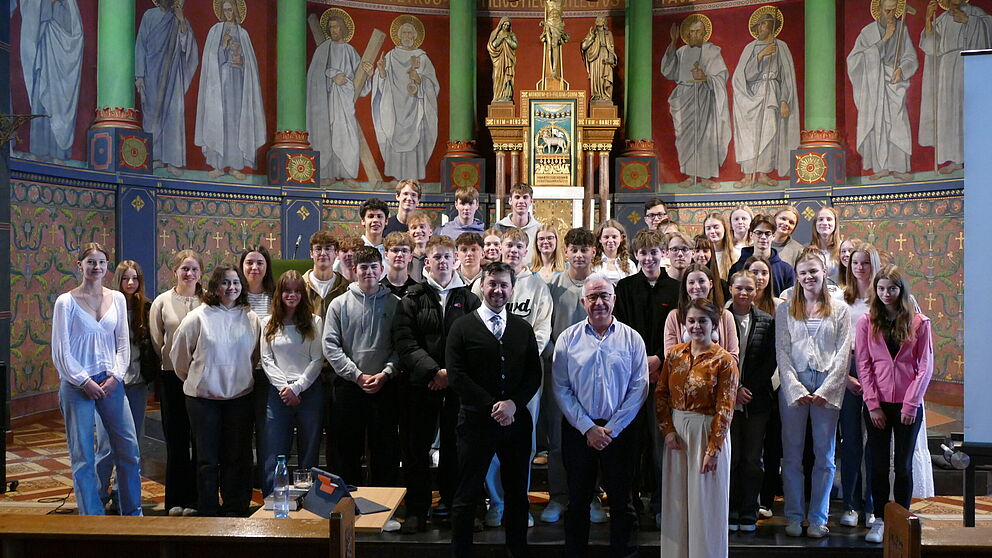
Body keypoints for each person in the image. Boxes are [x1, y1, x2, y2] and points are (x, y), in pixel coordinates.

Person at [447, 262, 543, 558]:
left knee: (517, 496)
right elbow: (457, 375)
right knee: (466, 495)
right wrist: (492, 406)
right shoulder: (462, 327)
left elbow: (534, 374)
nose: (497, 290)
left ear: (512, 289)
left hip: (516, 423)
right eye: (492, 284)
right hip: (476, 423)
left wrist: (514, 404)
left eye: (504, 285)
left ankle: (517, 552)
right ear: (482, 286)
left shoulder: (523, 328)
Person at [553, 275, 648, 557]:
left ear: (614, 300)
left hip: (620, 431)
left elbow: (639, 387)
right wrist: (587, 427)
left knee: (622, 502)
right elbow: (561, 387)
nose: (599, 302)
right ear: (583, 301)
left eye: (604, 295)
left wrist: (613, 428)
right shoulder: (567, 339)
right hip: (579, 431)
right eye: (593, 297)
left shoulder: (632, 338)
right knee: (577, 501)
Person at [393, 235, 481, 533]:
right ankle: (417, 510)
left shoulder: (470, 299)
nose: (442, 261)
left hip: (458, 389)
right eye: (436, 257)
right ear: (427, 262)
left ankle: (455, 507)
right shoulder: (412, 298)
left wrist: (449, 375)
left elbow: (475, 344)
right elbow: (405, 341)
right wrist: (433, 372)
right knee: (416, 449)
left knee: (457, 448)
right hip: (420, 386)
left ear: (455, 260)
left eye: (447, 256)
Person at [52, 243, 142, 516]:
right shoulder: (65, 302)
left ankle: (133, 514)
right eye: (90, 262)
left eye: (101, 262)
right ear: (79, 265)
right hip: (77, 385)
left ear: (107, 266)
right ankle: (91, 518)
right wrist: (83, 381)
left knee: (128, 450)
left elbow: (123, 345)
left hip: (111, 382)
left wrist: (116, 376)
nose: (96, 267)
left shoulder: (117, 298)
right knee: (83, 457)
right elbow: (61, 351)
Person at [473, 228, 553, 528]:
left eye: (520, 245)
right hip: (488, 377)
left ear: (527, 249)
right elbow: (474, 324)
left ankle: (518, 502)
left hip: (524, 377)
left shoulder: (538, 286)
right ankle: (497, 502)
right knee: (489, 441)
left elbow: (543, 328)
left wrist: (522, 359)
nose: (515, 250)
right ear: (500, 247)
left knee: (524, 444)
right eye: (510, 245)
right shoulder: (481, 283)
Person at [171, 264, 261, 517]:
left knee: (237, 457)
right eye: (225, 282)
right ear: (215, 287)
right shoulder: (198, 317)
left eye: (236, 282)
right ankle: (208, 509)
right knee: (207, 459)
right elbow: (179, 357)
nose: (231, 287)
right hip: (203, 400)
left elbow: (254, 356)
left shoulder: (250, 317)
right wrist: (198, 378)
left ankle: (235, 507)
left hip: (239, 397)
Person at [323, 246, 401, 532]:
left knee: (384, 454)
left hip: (384, 387)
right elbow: (330, 345)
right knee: (347, 453)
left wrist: (386, 373)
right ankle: (348, 513)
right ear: (354, 270)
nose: (368, 272)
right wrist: (356, 375)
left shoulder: (395, 303)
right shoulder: (338, 304)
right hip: (349, 388)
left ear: (381, 269)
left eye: (373, 267)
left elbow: (401, 345)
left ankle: (384, 513)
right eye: (363, 267)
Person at [776, 251, 852, 538]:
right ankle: (794, 516)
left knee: (825, 455)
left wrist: (827, 389)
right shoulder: (785, 310)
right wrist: (794, 387)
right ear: (797, 277)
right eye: (803, 272)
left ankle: (819, 517)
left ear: (824, 273)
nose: (809, 277)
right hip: (794, 383)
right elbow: (782, 352)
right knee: (791, 455)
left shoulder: (840, 310)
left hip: (827, 384)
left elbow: (843, 354)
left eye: (813, 271)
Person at [857, 265, 934, 544]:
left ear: (901, 290)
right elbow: (863, 364)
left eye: (892, 288)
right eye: (881, 288)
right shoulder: (867, 321)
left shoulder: (919, 322)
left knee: (902, 465)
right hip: (877, 404)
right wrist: (872, 404)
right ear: (875, 291)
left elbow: (925, 366)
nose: (886, 293)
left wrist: (911, 404)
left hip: (907, 405)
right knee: (878, 465)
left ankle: (901, 519)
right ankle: (879, 517)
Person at [657, 298, 738, 558]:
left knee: (706, 504)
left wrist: (713, 450)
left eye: (702, 321)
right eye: (691, 321)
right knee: (677, 504)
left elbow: (725, 408)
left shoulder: (724, 361)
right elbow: (661, 394)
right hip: (677, 435)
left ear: (714, 324)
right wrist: (668, 430)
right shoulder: (674, 355)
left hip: (707, 434)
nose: (696, 326)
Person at [615, 229, 681, 527]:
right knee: (631, 442)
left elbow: (679, 332)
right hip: (630, 376)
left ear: (663, 253)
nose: (649, 258)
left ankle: (660, 504)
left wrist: (659, 358)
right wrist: (640, 362)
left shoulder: (676, 288)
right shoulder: (625, 287)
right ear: (636, 255)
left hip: (664, 375)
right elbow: (620, 329)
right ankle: (629, 503)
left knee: (660, 443)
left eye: (654, 252)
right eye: (643, 253)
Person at [543, 228, 602, 524]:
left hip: (593, 375)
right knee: (557, 439)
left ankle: (592, 497)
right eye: (574, 249)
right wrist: (558, 357)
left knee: (593, 435)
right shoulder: (552, 285)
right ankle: (558, 496)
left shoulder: (601, 285)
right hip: (560, 372)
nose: (579, 255)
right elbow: (544, 327)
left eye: (584, 249)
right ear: (565, 252)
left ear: (594, 252)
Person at [95, 261, 158, 512]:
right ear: (118, 280)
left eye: (135, 278)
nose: (130, 283)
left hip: (137, 383)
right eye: (125, 278)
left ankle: (123, 497)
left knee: (132, 444)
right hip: (110, 383)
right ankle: (99, 496)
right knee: (106, 445)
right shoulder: (107, 305)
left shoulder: (147, 307)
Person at [260, 271, 325, 497]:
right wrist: (284, 388)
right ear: (279, 293)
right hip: (278, 393)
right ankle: (274, 499)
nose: (292, 295)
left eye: (297, 291)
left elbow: (317, 359)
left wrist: (297, 388)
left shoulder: (315, 322)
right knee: (274, 451)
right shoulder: (268, 323)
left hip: (309, 391)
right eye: (287, 290)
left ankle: (307, 500)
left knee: (309, 452)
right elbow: (266, 359)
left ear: (303, 295)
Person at [150, 249, 203, 516]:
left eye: (194, 269)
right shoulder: (161, 302)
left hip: (201, 378)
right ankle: (175, 500)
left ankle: (196, 500)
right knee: (176, 440)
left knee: (200, 441)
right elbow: (157, 340)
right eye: (184, 269)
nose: (189, 273)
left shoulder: (208, 301)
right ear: (175, 272)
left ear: (201, 273)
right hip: (172, 378)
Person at [725, 271, 776, 532]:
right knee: (731, 458)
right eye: (739, 288)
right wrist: (734, 389)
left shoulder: (766, 320)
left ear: (756, 291)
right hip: (726, 399)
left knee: (752, 458)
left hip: (756, 400)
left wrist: (747, 388)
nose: (744, 293)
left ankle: (749, 509)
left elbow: (770, 361)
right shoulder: (720, 318)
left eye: (749, 289)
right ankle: (730, 509)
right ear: (730, 289)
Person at [838, 242, 883, 529]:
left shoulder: (883, 296)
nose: (859, 268)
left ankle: (872, 506)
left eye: (865, 262)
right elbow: (834, 342)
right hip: (849, 368)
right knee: (851, 441)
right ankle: (851, 505)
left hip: (878, 371)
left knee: (874, 443)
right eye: (855, 262)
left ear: (874, 265)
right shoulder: (841, 298)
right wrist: (846, 377)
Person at [195, 0, 265, 180]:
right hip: (219, 85)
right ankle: (218, 165)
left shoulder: (243, 34)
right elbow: (211, 60)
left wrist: (243, 63)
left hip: (238, 84)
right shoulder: (215, 31)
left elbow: (251, 64)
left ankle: (235, 166)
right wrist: (224, 46)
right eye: (225, 10)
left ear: (236, 11)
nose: (228, 13)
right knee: (219, 121)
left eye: (230, 9)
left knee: (236, 123)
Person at [848, 0, 918, 181]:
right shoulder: (867, 33)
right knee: (877, 122)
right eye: (887, 11)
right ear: (878, 10)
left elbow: (911, 57)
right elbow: (854, 60)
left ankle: (900, 167)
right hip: (873, 85)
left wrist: (901, 70)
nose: (891, 15)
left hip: (894, 82)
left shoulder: (902, 29)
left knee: (897, 122)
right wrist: (885, 38)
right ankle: (881, 167)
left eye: (894, 10)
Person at [920, 0, 992, 175]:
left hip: (970, 64)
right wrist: (928, 20)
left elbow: (988, 31)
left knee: (969, 112)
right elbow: (931, 48)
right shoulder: (941, 19)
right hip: (946, 67)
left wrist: (968, 20)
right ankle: (956, 159)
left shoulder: (976, 13)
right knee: (949, 114)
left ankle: (977, 159)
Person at [661, 17, 731, 189]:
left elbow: (721, 76)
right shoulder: (681, 52)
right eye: (691, 32)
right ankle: (690, 176)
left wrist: (705, 77)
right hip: (684, 98)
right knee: (685, 138)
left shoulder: (712, 51)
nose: (694, 35)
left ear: (704, 33)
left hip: (705, 96)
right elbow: (668, 71)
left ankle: (706, 177)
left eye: (698, 32)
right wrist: (673, 43)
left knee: (706, 137)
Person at [732, 7, 799, 188]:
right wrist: (761, 55)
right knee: (749, 136)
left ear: (771, 27)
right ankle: (748, 175)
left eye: (764, 24)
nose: (760, 28)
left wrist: (784, 100)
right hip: (750, 96)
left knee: (769, 131)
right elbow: (742, 76)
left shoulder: (781, 47)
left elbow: (786, 78)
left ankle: (763, 174)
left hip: (771, 94)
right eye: (759, 25)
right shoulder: (750, 48)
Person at [306, 9, 372, 185]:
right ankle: (328, 175)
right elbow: (314, 76)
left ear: (343, 28)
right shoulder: (322, 50)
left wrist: (368, 75)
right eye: (330, 27)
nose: (333, 30)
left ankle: (347, 176)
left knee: (347, 137)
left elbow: (359, 78)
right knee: (326, 137)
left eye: (336, 27)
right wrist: (332, 75)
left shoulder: (350, 51)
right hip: (326, 102)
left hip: (345, 101)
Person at [135, 0, 198, 177]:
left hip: (173, 75)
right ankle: (155, 157)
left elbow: (189, 47)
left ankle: (173, 161)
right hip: (151, 74)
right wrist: (139, 75)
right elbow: (140, 45)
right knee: (151, 115)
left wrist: (182, 21)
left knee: (173, 116)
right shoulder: (149, 16)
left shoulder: (178, 17)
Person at [371, 20, 439, 181]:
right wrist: (381, 72)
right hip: (394, 107)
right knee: (394, 134)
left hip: (415, 107)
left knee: (415, 137)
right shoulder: (390, 56)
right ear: (399, 36)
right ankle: (397, 178)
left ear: (415, 36)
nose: (407, 36)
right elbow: (381, 81)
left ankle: (413, 178)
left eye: (410, 33)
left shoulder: (422, 57)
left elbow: (433, 84)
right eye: (404, 33)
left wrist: (420, 79)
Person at [19, 0, 83, 162]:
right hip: (44, 54)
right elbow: (32, 18)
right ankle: (38, 151)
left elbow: (74, 31)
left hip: (62, 64)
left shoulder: (69, 3)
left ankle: (59, 154)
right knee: (40, 99)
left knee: (60, 106)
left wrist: (56, 5)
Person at [240, 245, 275, 489]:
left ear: (267, 266)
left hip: (267, 373)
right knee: (241, 432)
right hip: (239, 372)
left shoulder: (275, 295)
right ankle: (241, 487)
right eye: (250, 263)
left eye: (260, 263)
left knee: (266, 432)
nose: (254, 267)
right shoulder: (234, 294)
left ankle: (266, 485)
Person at [663, 263, 738, 360]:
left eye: (701, 281)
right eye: (691, 282)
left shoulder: (726, 316)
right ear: (685, 286)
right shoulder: (674, 316)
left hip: (718, 369)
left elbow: (733, 356)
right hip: (683, 369)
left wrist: (710, 366)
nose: (697, 286)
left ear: (710, 284)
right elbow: (669, 356)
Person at [728, 215, 794, 296]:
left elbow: (790, 298)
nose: (763, 237)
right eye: (758, 233)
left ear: (773, 236)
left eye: (767, 233)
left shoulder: (786, 270)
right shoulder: (737, 267)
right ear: (751, 235)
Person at [302, 231, 351, 319]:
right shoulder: (301, 286)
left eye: (328, 249)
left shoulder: (345, 287)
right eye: (318, 249)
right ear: (311, 254)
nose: (323, 253)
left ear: (336, 253)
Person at [495, 183, 543, 247]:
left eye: (525, 197)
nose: (521, 201)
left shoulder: (539, 230)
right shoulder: (499, 228)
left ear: (531, 201)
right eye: (517, 197)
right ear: (510, 201)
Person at [591, 219, 635, 285]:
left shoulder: (630, 265)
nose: (610, 240)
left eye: (614, 237)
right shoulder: (591, 264)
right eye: (606, 237)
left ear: (621, 238)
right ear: (600, 239)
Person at [488, 17, 518, 103]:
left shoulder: (511, 35)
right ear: (501, 25)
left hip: (508, 59)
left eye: (508, 25)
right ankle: (497, 96)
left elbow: (515, 45)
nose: (506, 27)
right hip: (498, 59)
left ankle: (506, 95)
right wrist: (501, 37)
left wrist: (507, 38)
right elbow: (493, 45)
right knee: (497, 76)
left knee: (507, 77)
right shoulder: (495, 34)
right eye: (505, 24)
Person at [381, 232, 418, 297]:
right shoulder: (378, 290)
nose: (400, 255)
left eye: (404, 251)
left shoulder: (419, 291)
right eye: (395, 250)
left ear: (410, 257)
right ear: (386, 255)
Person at [811, 207, 842, 283]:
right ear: (815, 224)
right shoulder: (808, 251)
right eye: (820, 219)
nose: (824, 223)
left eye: (829, 219)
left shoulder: (843, 249)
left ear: (835, 224)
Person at [703, 212, 736, 278]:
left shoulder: (735, 255)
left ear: (724, 228)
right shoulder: (701, 255)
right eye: (708, 228)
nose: (712, 231)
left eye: (716, 227)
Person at [406, 210, 433, 282]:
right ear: (408, 233)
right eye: (414, 228)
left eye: (422, 227)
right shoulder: (405, 258)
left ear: (430, 231)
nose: (418, 231)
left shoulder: (435, 257)